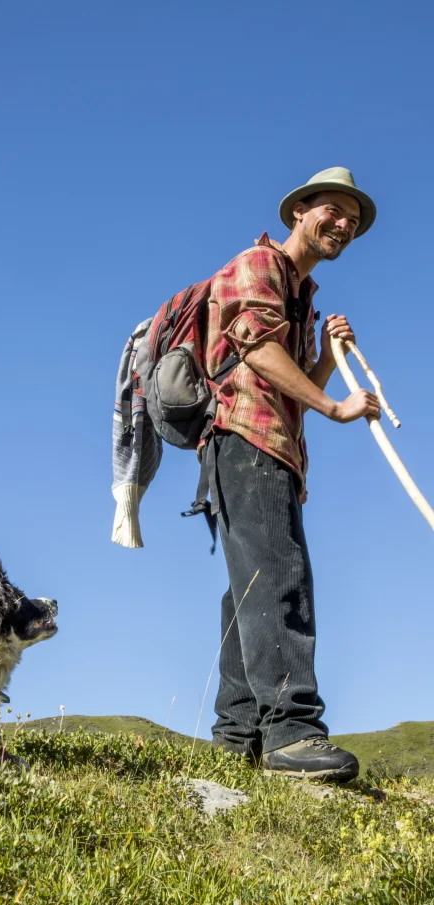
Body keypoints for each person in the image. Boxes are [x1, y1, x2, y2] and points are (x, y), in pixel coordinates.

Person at [204, 167, 380, 781]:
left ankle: (239, 739)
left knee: (250, 589)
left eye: (353, 223)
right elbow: (254, 346)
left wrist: (327, 363)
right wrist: (335, 407)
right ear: (300, 210)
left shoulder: (300, 295)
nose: (343, 226)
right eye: (334, 211)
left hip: (264, 445)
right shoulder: (260, 264)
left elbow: (292, 383)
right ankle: (293, 734)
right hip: (248, 440)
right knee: (280, 575)